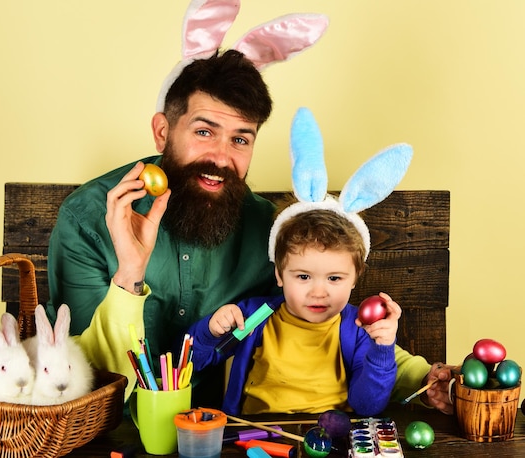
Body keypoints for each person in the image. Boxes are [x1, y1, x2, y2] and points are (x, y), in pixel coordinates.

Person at [46, 49, 455, 413]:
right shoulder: (89, 217)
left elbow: (321, 324)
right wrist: (129, 275)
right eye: (204, 132)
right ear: (162, 130)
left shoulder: (271, 232)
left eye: (240, 139)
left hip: (222, 429)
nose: (222, 158)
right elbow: (85, 376)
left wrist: (423, 375)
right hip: (110, 430)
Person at [187, 208, 398, 416]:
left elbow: (367, 406)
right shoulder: (254, 317)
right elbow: (193, 362)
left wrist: (382, 351)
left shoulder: (358, 329)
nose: (318, 293)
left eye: (334, 278)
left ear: (355, 277)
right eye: (303, 277)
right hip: (255, 436)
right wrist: (210, 332)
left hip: (331, 438)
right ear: (279, 275)